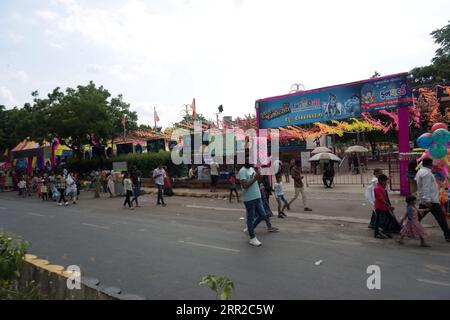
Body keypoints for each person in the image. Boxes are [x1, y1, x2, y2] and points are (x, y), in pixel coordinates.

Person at [239, 156, 279, 247]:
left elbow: (256, 180)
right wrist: (255, 178)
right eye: (247, 159)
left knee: (263, 215)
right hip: (249, 199)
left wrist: (260, 179)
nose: (249, 161)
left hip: (257, 196)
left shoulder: (252, 169)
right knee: (250, 218)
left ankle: (250, 229)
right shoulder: (242, 171)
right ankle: (252, 238)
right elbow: (244, 185)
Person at [416, 158, 450, 242]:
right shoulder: (427, 173)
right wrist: (427, 200)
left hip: (425, 199)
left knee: (416, 217)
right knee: (441, 218)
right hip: (430, 201)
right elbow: (426, 187)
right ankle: (447, 235)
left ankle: (406, 229)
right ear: (430, 164)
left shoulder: (421, 171)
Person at [373, 174, 398, 239]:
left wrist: (388, 180)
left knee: (390, 218)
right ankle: (377, 233)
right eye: (385, 181)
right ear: (381, 181)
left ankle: (385, 230)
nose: (385, 182)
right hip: (379, 206)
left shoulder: (381, 186)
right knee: (378, 220)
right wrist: (389, 206)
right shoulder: (377, 188)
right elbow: (381, 199)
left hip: (384, 206)